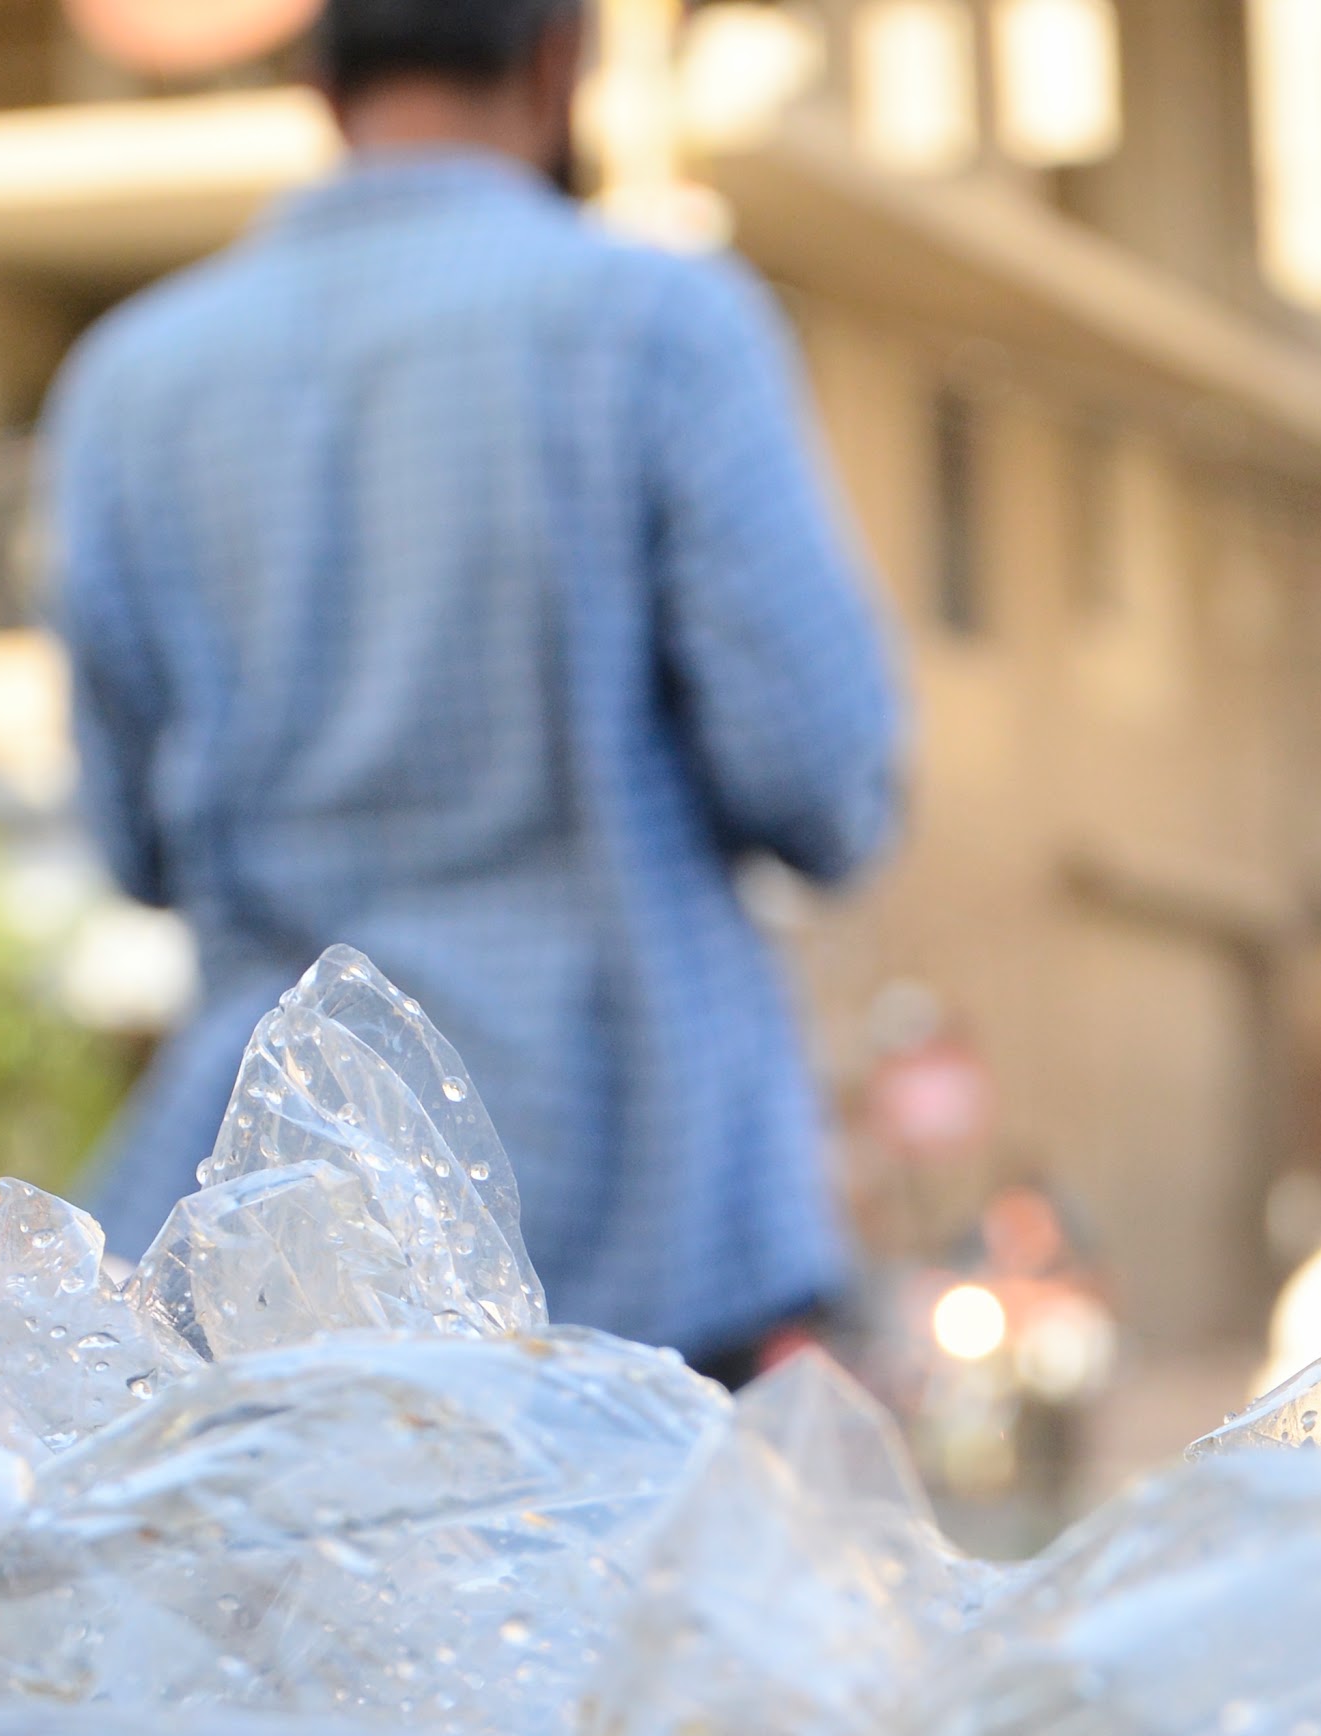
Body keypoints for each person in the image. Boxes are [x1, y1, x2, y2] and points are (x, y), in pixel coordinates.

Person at [46, 0, 906, 1384]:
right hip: (655, 1232)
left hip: (290, 1264)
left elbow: (132, 846)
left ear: (320, 80)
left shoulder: (128, 388)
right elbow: (824, 783)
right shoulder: (661, 326)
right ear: (559, 63)